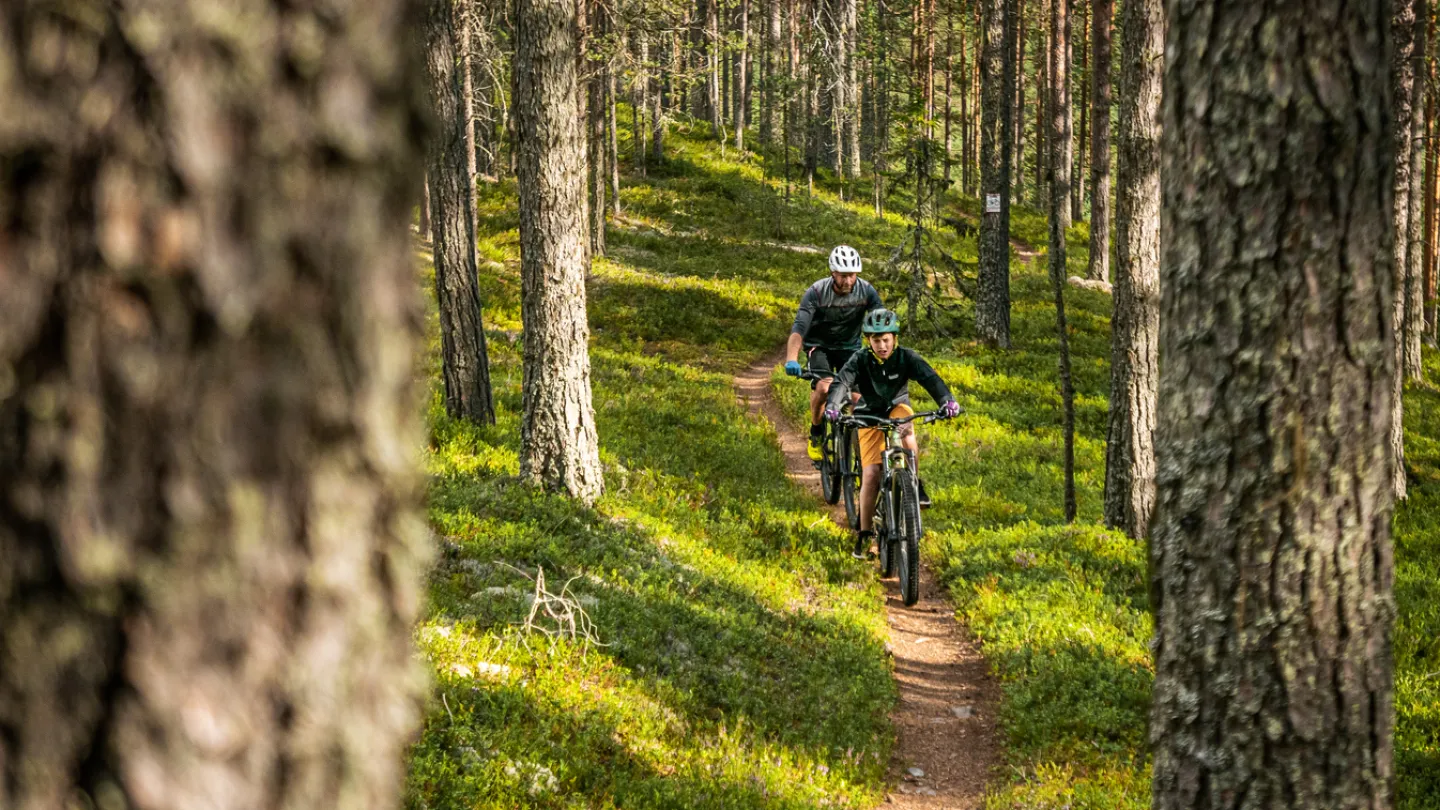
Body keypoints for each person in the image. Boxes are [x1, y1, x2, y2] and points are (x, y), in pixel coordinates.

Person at [824, 309, 961, 559]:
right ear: (869, 341)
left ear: (894, 338)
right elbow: (842, 382)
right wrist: (833, 405)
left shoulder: (906, 357)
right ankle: (865, 535)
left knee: (907, 434)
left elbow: (931, 379)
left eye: (886, 339)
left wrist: (947, 401)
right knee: (871, 473)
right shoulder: (860, 359)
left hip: (898, 407)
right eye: (876, 340)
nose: (882, 345)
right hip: (868, 414)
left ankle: (914, 484)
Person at [783, 245, 883, 461]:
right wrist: (791, 359)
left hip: (850, 348)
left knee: (859, 399)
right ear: (833, 273)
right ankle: (816, 433)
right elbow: (799, 329)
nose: (848, 281)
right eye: (843, 276)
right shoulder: (817, 293)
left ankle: (861, 453)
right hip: (819, 347)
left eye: (852, 275)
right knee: (825, 387)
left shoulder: (866, 291)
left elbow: (880, 324)